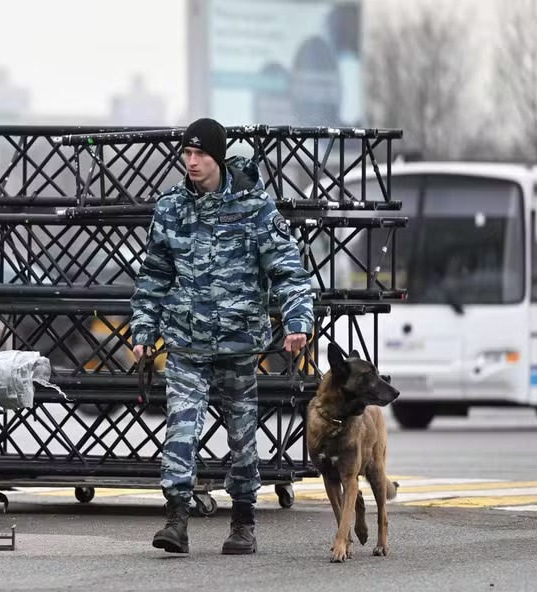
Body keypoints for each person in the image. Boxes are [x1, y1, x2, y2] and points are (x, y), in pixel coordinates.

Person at [130, 117, 314, 555]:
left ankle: (243, 521)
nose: (192, 163)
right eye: (187, 154)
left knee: (242, 437)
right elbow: (154, 274)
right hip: (187, 344)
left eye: (201, 155)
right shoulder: (171, 207)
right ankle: (176, 518)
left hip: (237, 345)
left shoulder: (255, 207)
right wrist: (142, 329)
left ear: (218, 156)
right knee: (181, 427)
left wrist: (297, 322)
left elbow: (287, 270)